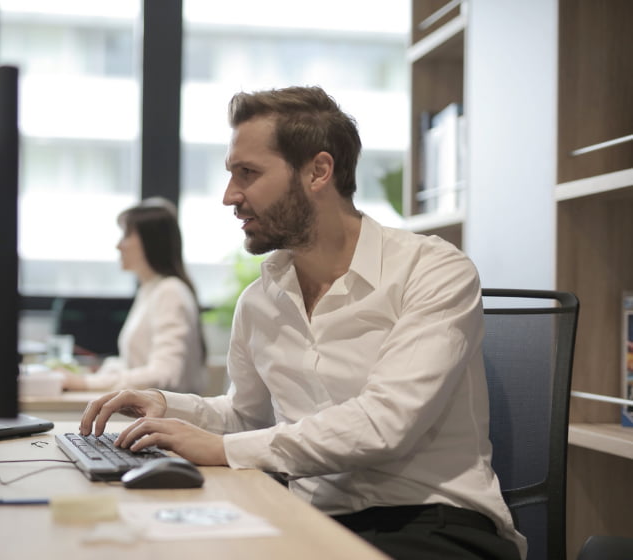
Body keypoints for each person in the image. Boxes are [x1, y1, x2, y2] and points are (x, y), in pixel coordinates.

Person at [79, 87, 524, 560]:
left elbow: (384, 424)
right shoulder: (260, 301)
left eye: (247, 174)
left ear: (318, 171)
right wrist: (168, 406)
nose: (231, 196)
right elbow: (247, 417)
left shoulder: (433, 270)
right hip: (310, 519)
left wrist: (224, 450)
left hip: (431, 522)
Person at [62, 197, 206, 394]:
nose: (118, 245)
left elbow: (165, 373)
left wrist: (87, 383)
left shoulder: (170, 291)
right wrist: (90, 375)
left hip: (163, 417)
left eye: (126, 235)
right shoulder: (150, 289)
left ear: (151, 241)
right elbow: (133, 364)